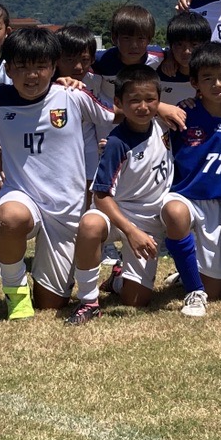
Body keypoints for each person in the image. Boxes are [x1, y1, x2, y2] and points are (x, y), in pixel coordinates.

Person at [0, 27, 118, 320]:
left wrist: (161, 107)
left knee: (51, 303)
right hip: (22, 197)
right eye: (22, 67)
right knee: (7, 218)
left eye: (40, 66)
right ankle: (15, 293)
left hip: (66, 210)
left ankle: (47, 284)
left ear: (53, 66)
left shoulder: (73, 95)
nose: (32, 75)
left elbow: (117, 114)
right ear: (8, 69)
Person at [71, 65, 178, 320]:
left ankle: (118, 279)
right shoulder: (116, 143)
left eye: (150, 99)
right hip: (115, 215)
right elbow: (101, 196)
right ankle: (88, 301)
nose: (143, 106)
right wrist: (131, 231)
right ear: (119, 103)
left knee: (137, 301)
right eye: (134, 101)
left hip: (149, 219)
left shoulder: (164, 125)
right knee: (90, 224)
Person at [162, 41, 221, 317]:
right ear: (194, 82)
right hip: (186, 196)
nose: (217, 84)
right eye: (208, 78)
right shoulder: (183, 113)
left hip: (219, 203)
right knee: (174, 211)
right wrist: (161, 106)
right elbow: (141, 110)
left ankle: (187, 271)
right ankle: (193, 292)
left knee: (215, 290)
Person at [88, 4, 162, 104]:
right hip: (109, 111)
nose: (134, 45)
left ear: (149, 39)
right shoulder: (101, 59)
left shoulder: (159, 56)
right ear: (114, 38)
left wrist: (170, 60)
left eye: (141, 38)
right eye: (126, 38)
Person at [156, 10, 211, 108]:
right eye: (179, 44)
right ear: (171, 45)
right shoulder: (156, 66)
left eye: (194, 45)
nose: (186, 51)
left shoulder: (212, 71)